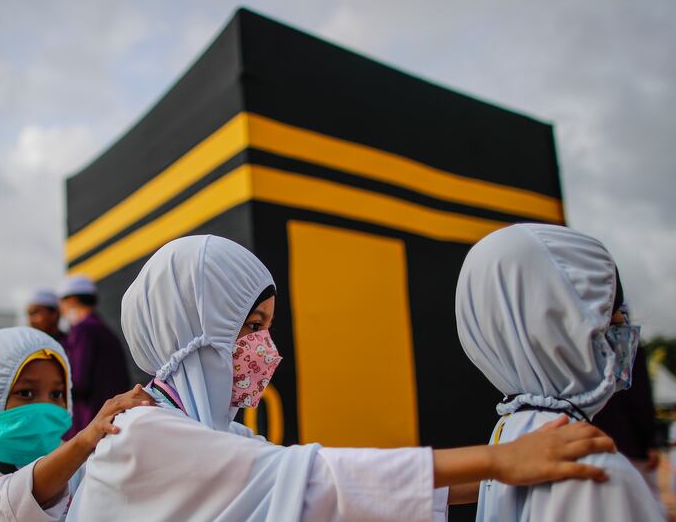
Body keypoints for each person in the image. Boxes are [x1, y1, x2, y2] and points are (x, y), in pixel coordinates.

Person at [67, 235, 616, 522]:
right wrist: (497, 461)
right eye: (251, 326)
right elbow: (315, 478)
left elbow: (342, 491)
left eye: (267, 327)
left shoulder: (223, 440)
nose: (264, 347)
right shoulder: (140, 433)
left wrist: (507, 470)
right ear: (193, 327)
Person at [455, 223, 664, 521]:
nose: (622, 327)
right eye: (612, 312)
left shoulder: (512, 436)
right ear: (573, 323)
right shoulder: (594, 469)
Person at [0, 327, 151, 521]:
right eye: (26, 393)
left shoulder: (85, 470)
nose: (46, 406)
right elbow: (11, 501)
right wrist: (85, 438)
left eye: (57, 394)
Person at [57, 275, 131, 438]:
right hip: (113, 421)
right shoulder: (104, 329)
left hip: (91, 424)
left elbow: (78, 381)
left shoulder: (83, 331)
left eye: (61, 303)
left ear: (72, 301)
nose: (60, 310)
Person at [593, 344, 662, 500]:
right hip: (631, 443)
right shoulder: (628, 346)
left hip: (595, 442)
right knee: (646, 502)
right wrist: (650, 443)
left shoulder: (583, 346)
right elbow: (640, 398)